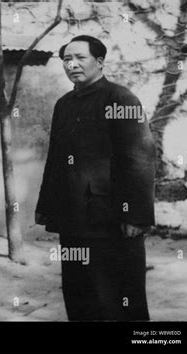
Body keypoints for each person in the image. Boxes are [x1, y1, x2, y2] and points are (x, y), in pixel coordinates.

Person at [35, 35, 156, 321]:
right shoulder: (64, 105)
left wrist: (136, 217)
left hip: (111, 221)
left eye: (80, 58)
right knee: (79, 297)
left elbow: (139, 158)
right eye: (66, 59)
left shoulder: (121, 98)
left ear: (100, 62)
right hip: (74, 221)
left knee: (117, 298)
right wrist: (48, 207)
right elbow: (55, 161)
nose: (72, 64)